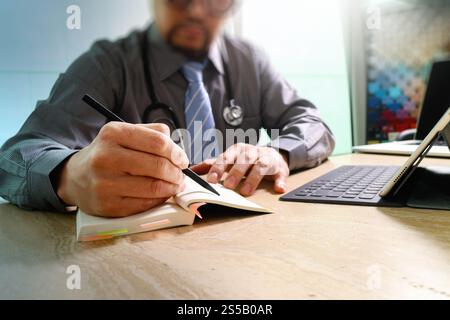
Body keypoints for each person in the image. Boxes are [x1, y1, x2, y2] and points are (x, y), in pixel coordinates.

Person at [0, 0, 335, 217]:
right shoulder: (107, 65)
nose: (195, 9)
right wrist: (69, 176)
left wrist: (278, 152)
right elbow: (16, 155)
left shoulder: (251, 61)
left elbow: (312, 124)